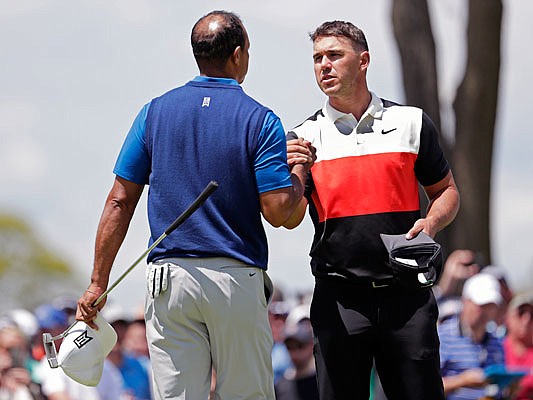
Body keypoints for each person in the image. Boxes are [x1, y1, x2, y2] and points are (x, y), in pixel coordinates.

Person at [76, 10, 314, 400]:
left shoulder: (153, 113)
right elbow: (277, 212)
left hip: (169, 282)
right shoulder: (261, 120)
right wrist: (300, 173)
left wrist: (98, 283)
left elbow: (119, 201)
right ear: (238, 55)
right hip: (233, 280)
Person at [283, 20, 459, 400]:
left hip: (407, 296)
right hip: (339, 298)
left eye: (334, 55)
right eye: (317, 58)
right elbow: (291, 216)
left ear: (363, 61)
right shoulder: (302, 138)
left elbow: (446, 192)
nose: (324, 66)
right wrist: (291, 175)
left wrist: (431, 222)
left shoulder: (410, 122)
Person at [438, 273, 505, 400]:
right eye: (481, 305)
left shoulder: (496, 341)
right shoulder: (442, 337)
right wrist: (461, 381)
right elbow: (427, 386)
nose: (486, 311)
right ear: (465, 302)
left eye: (491, 306)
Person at [274, 304, 318, 400]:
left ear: (311, 344)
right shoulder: (280, 387)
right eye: (289, 347)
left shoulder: (322, 383)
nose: (295, 353)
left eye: (300, 346)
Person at [503, 292, 533, 399]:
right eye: (521, 313)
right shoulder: (495, 348)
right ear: (507, 318)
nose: (527, 320)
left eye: (532, 314)